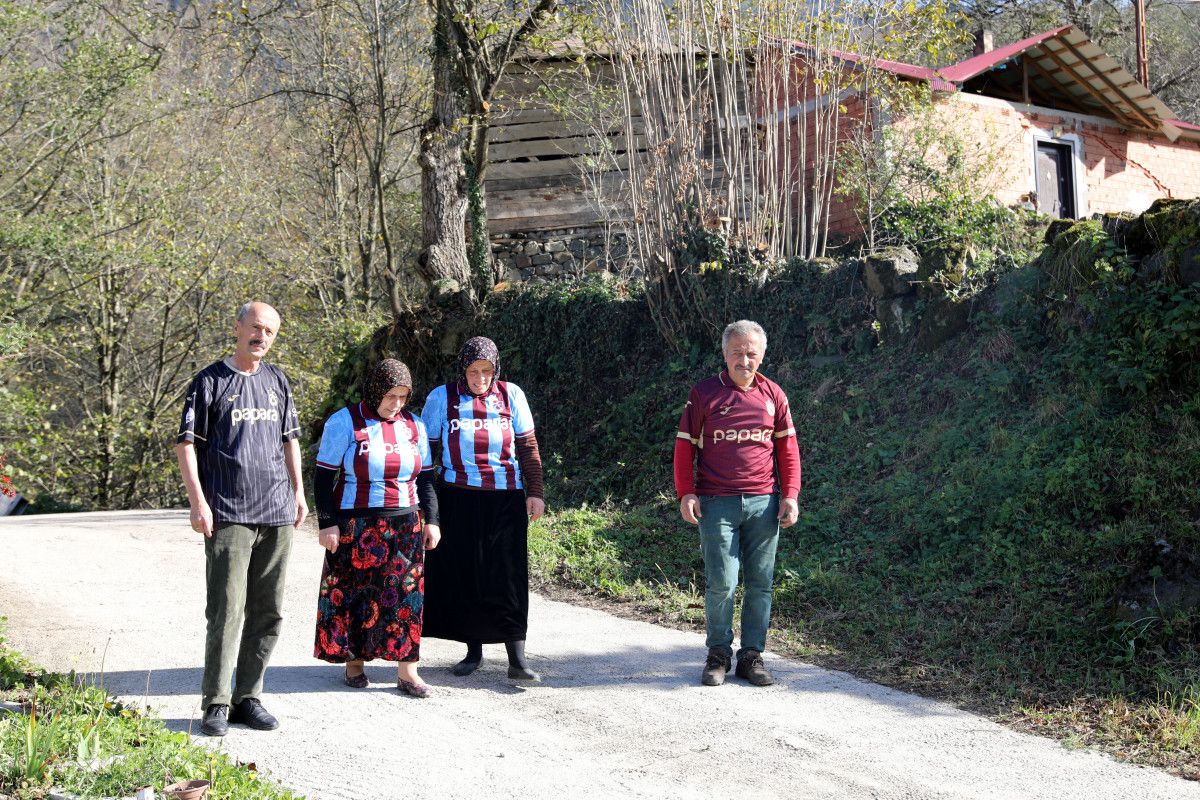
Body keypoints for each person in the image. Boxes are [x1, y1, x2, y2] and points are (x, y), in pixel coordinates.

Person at [175, 301, 308, 737]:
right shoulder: (209, 382)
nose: (262, 337)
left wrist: (299, 493)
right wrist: (199, 502)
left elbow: (291, 441)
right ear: (237, 327)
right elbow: (187, 445)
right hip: (229, 513)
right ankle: (215, 702)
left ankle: (248, 696)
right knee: (227, 611)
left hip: (276, 512)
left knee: (268, 612)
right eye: (255, 328)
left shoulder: (277, 381)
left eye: (270, 331)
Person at [674, 320, 801, 687]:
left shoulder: (774, 394)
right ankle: (718, 655)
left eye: (751, 353)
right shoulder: (704, 395)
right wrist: (687, 492)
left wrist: (790, 495)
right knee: (722, 584)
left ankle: (752, 657)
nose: (744, 360)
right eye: (737, 353)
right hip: (717, 504)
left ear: (761, 355)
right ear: (725, 354)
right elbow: (684, 448)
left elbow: (787, 450)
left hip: (764, 504)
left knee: (761, 583)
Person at [312, 359, 441, 697]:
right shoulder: (344, 422)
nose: (396, 403)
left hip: (406, 524)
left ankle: (408, 671)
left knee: (405, 598)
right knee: (357, 594)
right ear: (374, 390)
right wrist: (327, 523)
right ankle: (355, 664)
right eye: (389, 395)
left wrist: (433, 520)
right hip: (356, 523)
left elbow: (426, 478)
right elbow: (324, 478)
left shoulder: (414, 426)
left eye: (402, 396)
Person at [420, 336, 546, 681]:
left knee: (508, 574)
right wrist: (427, 506)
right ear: (462, 370)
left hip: (504, 497)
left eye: (486, 371)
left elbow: (528, 446)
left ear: (496, 370)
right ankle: (472, 651)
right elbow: (424, 457)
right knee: (467, 573)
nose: (480, 378)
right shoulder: (441, 398)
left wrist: (534, 492)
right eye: (473, 371)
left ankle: (517, 658)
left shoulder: (511, 395)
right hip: (457, 496)